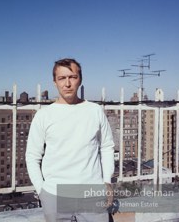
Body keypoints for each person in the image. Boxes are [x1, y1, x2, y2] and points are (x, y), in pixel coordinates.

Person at [26, 58, 114, 221]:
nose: (67, 83)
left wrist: (107, 180)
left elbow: (107, 146)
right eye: (62, 78)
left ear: (80, 80)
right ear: (55, 82)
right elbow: (32, 156)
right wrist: (42, 191)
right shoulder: (44, 115)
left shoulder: (94, 111)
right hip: (55, 196)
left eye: (72, 77)